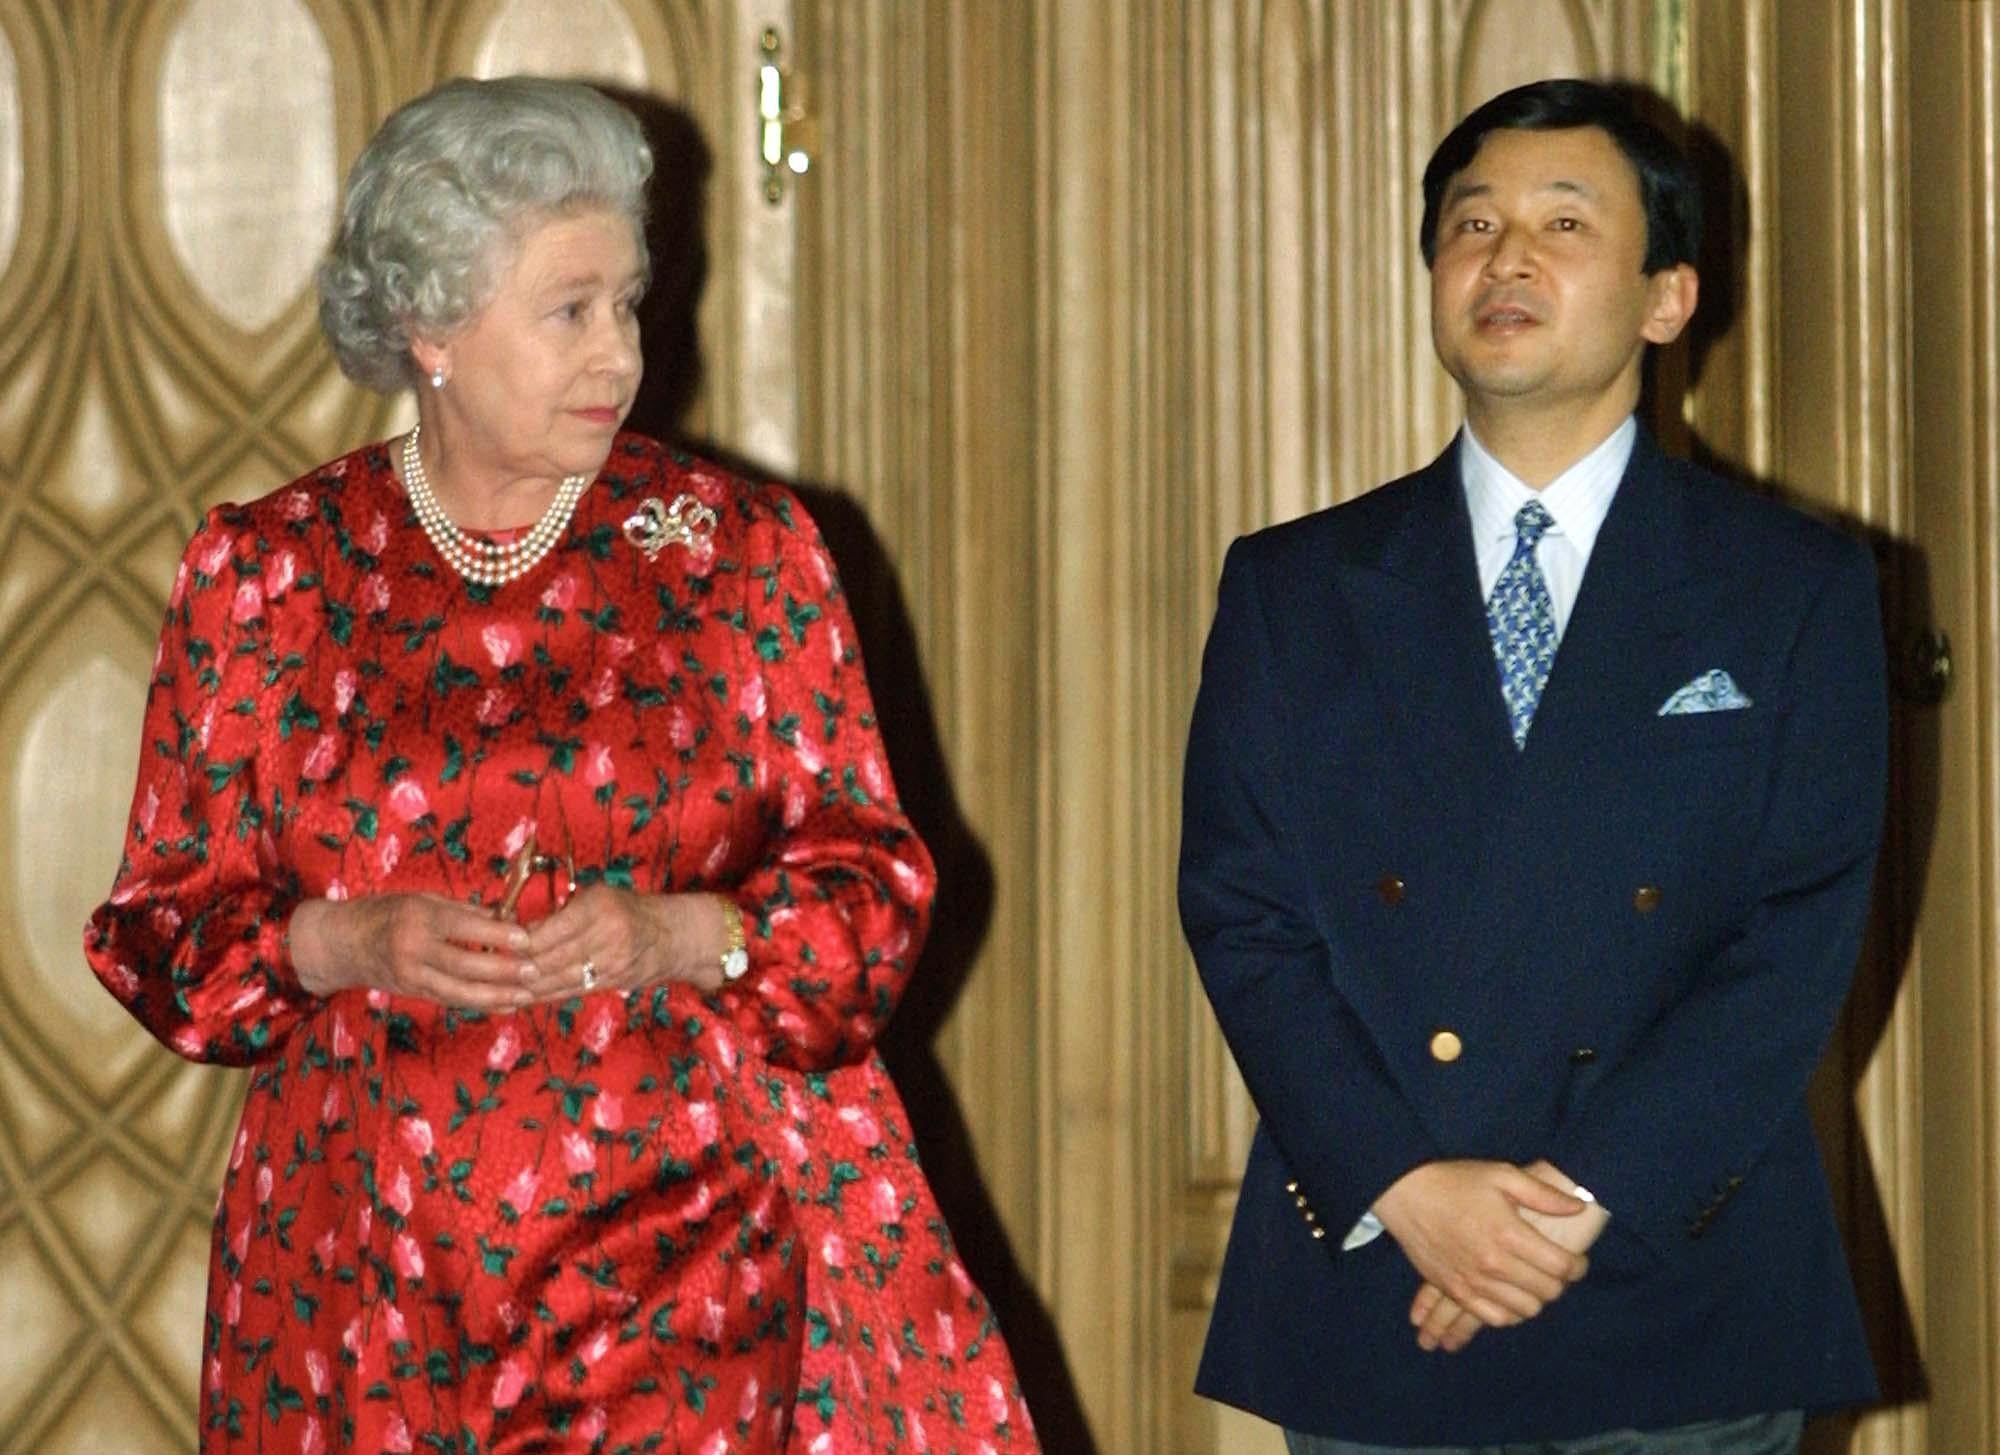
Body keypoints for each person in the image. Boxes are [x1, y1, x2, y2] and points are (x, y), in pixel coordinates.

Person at [86, 75, 1036, 1455]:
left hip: (681, 1256)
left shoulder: (740, 553)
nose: (621, 355)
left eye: (629, 304)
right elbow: (159, 930)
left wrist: (684, 933)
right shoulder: (270, 572)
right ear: (429, 329)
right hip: (359, 1277)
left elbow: (874, 892)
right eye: (569, 310)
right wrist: (339, 941)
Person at [1178, 78, 1886, 1453]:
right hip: (1383, 1270)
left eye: (1565, 223)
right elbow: (1241, 915)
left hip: (1675, 1265)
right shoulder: (1297, 586)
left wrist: (1563, 1208)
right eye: (1472, 223)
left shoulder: (1789, 587)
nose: (1506, 258)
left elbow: (1797, 935)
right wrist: (1412, 1192)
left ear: (1667, 297)